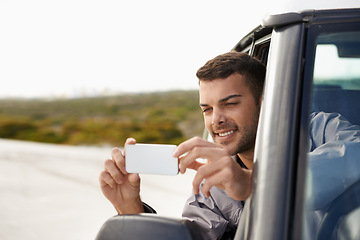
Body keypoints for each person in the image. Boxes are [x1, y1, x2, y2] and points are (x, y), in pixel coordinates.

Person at [99, 51, 360, 240]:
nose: (217, 119)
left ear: (266, 102)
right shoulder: (212, 181)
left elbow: (355, 153)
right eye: (207, 109)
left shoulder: (321, 128)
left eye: (230, 103)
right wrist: (130, 208)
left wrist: (256, 183)